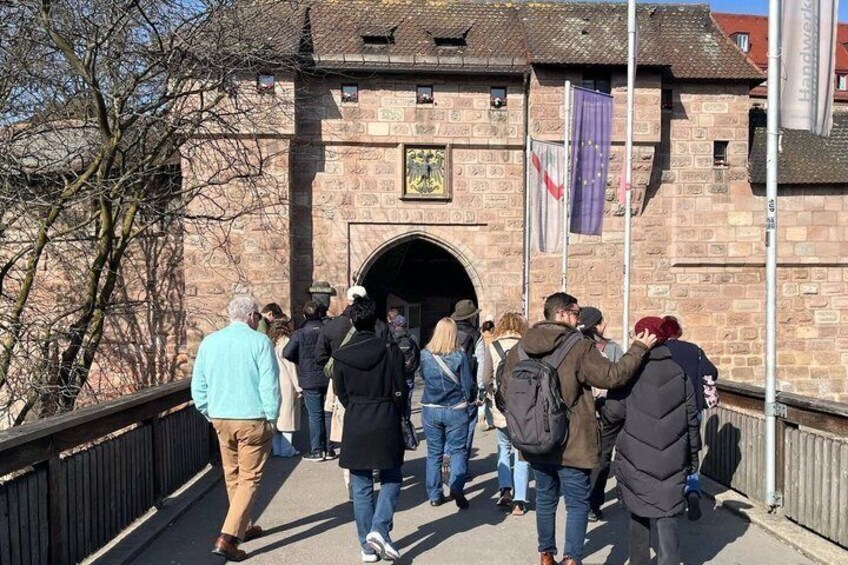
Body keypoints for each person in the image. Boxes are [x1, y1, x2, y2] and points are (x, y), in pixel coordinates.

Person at [499, 292, 656, 565]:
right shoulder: (578, 346)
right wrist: (638, 348)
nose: (579, 319)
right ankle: (571, 560)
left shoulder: (520, 348)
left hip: (535, 439)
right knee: (577, 503)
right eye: (576, 312)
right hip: (573, 441)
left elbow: (505, 393)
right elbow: (613, 376)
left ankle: (546, 555)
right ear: (561, 314)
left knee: (545, 499)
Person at [604, 316, 702, 565]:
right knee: (667, 510)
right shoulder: (679, 373)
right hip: (673, 454)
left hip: (635, 453)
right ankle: (669, 559)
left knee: (639, 509)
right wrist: (693, 455)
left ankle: (639, 561)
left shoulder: (629, 373)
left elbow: (613, 414)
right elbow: (692, 418)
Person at [191, 294, 280, 561]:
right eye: (258, 316)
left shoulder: (209, 342)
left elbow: (199, 386)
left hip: (221, 417)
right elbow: (269, 384)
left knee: (233, 475)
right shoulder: (260, 342)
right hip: (252, 418)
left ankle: (244, 525)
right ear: (251, 316)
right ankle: (228, 538)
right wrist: (272, 417)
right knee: (249, 478)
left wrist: (209, 411)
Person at [331, 296, 408, 563]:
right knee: (391, 476)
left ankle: (367, 545)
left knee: (361, 483)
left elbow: (340, 391)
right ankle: (379, 528)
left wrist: (355, 406)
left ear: (353, 321)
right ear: (375, 321)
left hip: (356, 418)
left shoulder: (341, 355)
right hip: (385, 415)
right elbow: (401, 388)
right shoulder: (390, 350)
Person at [419, 317, 476, 509]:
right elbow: (467, 385)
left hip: (431, 407)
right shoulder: (460, 356)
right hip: (456, 408)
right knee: (458, 450)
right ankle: (456, 486)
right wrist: (470, 399)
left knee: (433, 453)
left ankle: (434, 495)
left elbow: (423, 376)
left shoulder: (425, 354)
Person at [578, 306, 625, 522]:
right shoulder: (612, 349)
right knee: (602, 458)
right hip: (605, 411)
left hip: (580, 411)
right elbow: (623, 378)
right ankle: (593, 504)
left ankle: (581, 501)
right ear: (596, 325)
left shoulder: (573, 347)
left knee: (581, 457)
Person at [485, 312, 531, 515]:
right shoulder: (526, 346)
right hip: (522, 405)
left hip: (500, 404)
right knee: (521, 452)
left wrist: (491, 393)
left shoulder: (493, 346)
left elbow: (485, 378)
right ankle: (520, 500)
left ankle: (505, 490)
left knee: (503, 447)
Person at [283, 301, 330, 461]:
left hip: (309, 377)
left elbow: (287, 352)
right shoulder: (327, 330)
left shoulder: (300, 333)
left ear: (305, 315)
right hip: (327, 375)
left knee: (315, 415)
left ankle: (317, 449)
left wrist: (300, 361)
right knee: (328, 412)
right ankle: (329, 448)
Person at [451, 299, 493, 451]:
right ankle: (461, 460)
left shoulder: (448, 333)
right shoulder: (475, 335)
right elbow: (481, 364)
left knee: (450, 429)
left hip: (448, 387)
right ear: (471, 317)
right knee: (467, 429)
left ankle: (448, 456)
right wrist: (481, 392)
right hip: (468, 388)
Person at [662, 315, 719, 420]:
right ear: (678, 331)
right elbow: (711, 371)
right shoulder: (694, 349)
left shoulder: (658, 350)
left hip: (666, 408)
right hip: (693, 404)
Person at [269, 315, 301, 458]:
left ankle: (276, 449)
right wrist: (298, 386)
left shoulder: (271, 343)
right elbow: (291, 367)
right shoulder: (287, 342)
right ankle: (287, 449)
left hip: (274, 381)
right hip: (287, 382)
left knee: (277, 418)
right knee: (288, 418)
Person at [389, 314, 421, 420]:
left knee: (394, 398)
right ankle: (406, 420)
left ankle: (397, 420)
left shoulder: (391, 339)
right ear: (405, 325)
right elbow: (418, 355)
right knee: (407, 399)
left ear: (394, 325)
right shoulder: (413, 338)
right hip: (409, 373)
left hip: (394, 375)